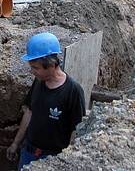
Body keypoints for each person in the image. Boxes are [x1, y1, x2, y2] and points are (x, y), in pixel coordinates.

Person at [6, 32, 86, 170]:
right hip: (29, 153)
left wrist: (67, 161)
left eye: (35, 67)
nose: (32, 71)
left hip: (53, 158)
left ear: (51, 65)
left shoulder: (73, 91)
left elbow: (76, 130)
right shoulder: (38, 82)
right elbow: (29, 113)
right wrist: (15, 143)